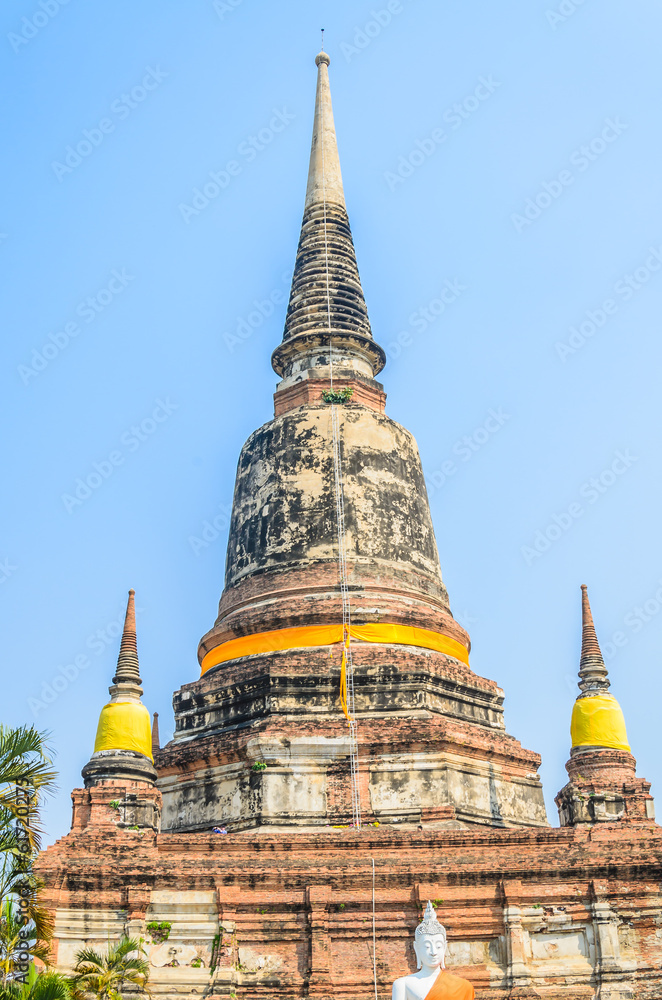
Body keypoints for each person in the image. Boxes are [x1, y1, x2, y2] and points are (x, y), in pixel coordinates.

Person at [392, 901, 474, 1000]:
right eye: (427, 946)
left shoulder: (463, 986)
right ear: (416, 948)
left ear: (445, 947)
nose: (433, 952)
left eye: (438, 946)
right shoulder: (403, 984)